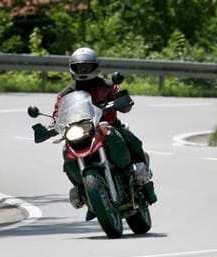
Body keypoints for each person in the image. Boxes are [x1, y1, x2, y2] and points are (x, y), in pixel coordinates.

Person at [51, 47, 157, 220]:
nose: (84, 71)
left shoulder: (107, 85)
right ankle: (84, 190)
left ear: (95, 67)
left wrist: (122, 102)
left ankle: (141, 177)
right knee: (66, 155)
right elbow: (57, 114)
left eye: (87, 67)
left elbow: (123, 102)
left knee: (133, 142)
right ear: (73, 68)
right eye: (80, 67)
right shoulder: (65, 94)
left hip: (108, 125)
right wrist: (52, 124)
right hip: (81, 132)